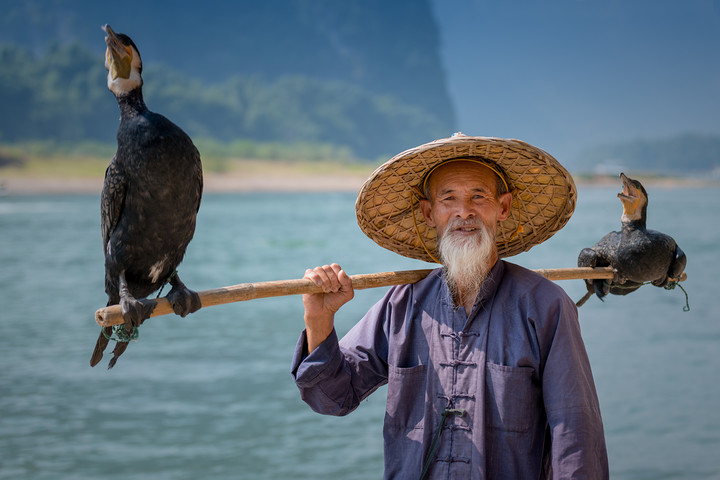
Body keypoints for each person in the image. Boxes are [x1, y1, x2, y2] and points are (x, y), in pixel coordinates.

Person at [291, 134, 609, 479]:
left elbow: (575, 432)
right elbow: (331, 397)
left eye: (478, 196)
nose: (464, 211)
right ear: (429, 213)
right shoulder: (402, 304)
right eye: (449, 198)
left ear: (502, 207)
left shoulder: (546, 306)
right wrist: (318, 318)